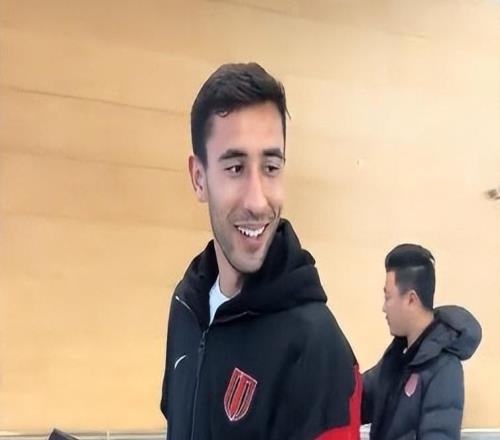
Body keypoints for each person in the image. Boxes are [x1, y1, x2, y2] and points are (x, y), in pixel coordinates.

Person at [160, 62, 361, 440]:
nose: (257, 201)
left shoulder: (316, 347)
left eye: (270, 167)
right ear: (199, 178)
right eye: (235, 168)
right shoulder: (186, 306)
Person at [362, 244, 482, 440]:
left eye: (388, 297)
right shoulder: (397, 359)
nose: (384, 308)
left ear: (411, 299)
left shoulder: (444, 369)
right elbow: (358, 398)